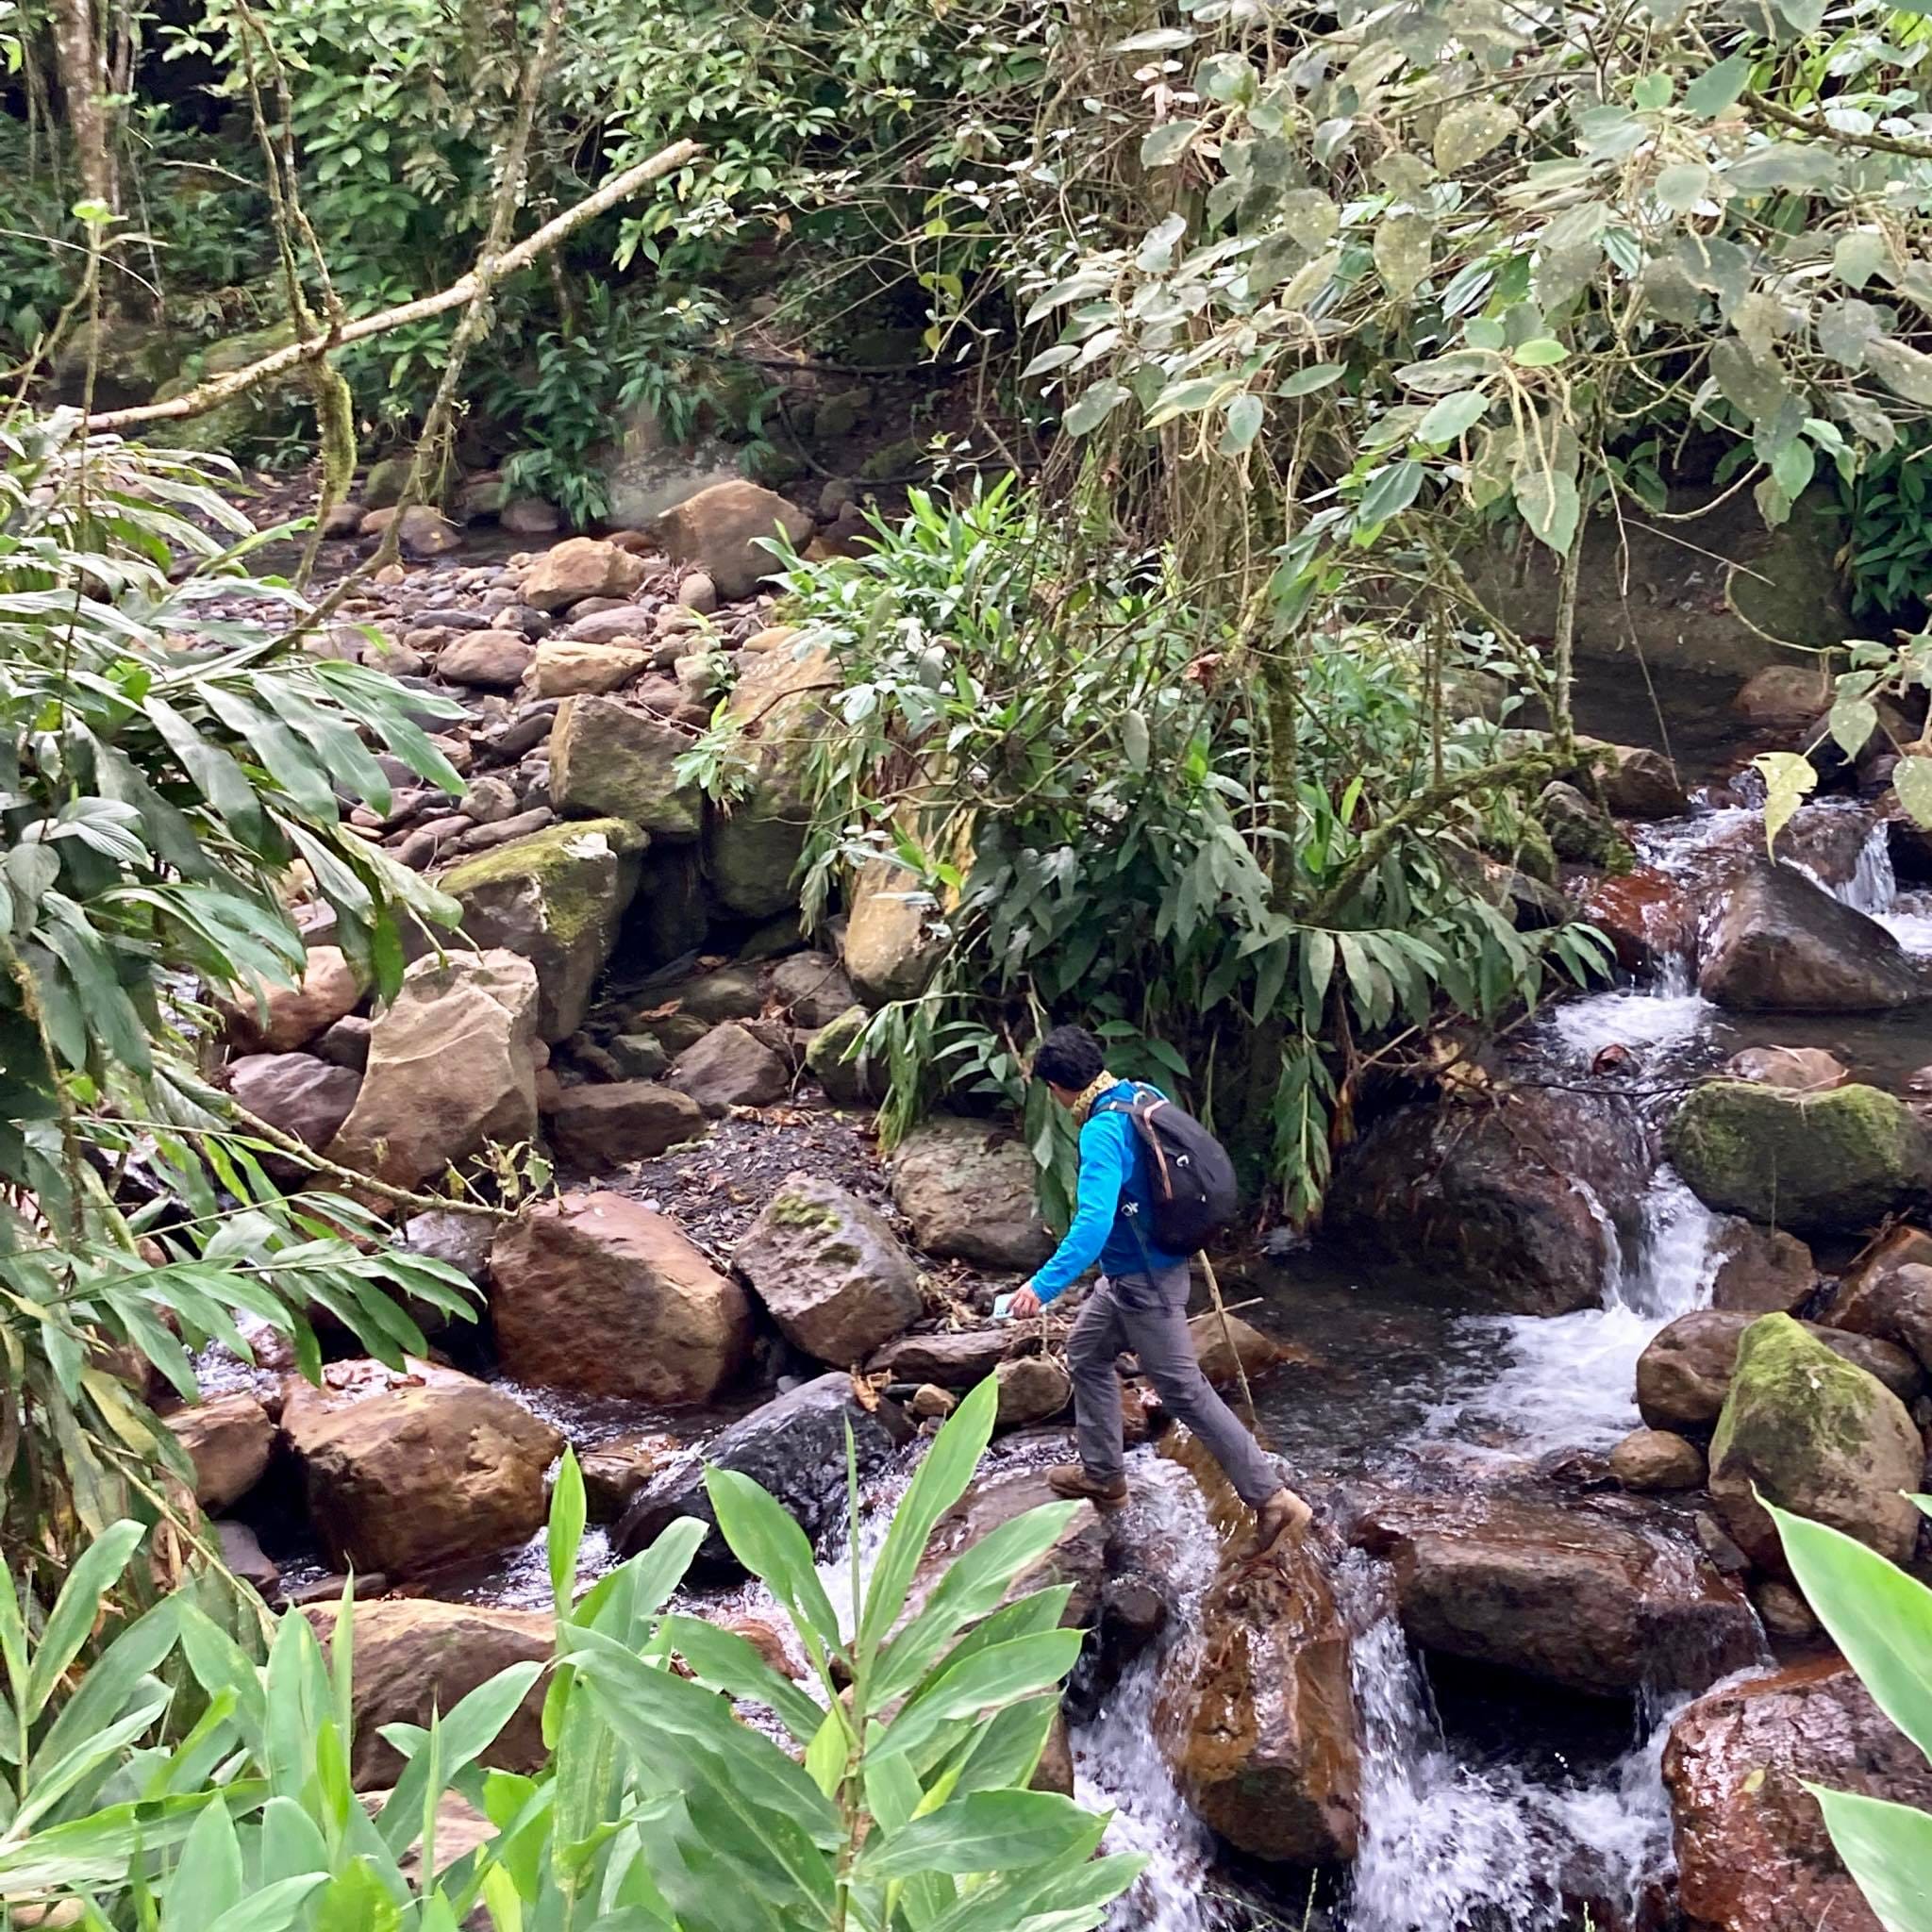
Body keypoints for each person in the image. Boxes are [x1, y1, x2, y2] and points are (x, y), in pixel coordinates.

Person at [1008, 1024, 1313, 1556]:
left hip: (1146, 1282)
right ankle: (1105, 1474)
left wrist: (1042, 1285)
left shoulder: (1101, 1132)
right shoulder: (1140, 1094)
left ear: (1058, 1088)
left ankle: (1273, 1498)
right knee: (1086, 1354)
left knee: (1184, 1392)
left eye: (1050, 1090)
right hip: (1134, 1275)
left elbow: (1093, 1224)